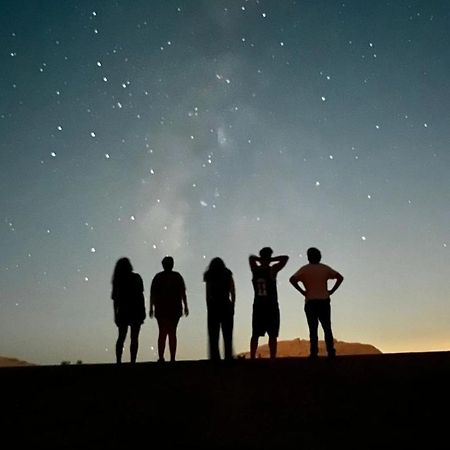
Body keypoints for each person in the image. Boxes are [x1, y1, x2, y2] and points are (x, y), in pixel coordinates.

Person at [289, 247, 344, 359]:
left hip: (310, 301)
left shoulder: (304, 269)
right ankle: (331, 351)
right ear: (319, 256)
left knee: (313, 328)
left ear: (309, 257)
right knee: (327, 327)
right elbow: (340, 277)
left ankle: (314, 352)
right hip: (324, 300)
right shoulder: (324, 268)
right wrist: (331, 291)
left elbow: (292, 279)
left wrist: (302, 291)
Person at [249, 247, 289, 359]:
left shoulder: (255, 270)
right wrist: (270, 260)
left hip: (258, 304)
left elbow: (251, 258)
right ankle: (272, 357)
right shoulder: (272, 270)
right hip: (271, 305)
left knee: (255, 333)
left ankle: (252, 356)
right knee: (272, 334)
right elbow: (285, 258)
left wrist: (262, 259)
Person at [149, 256, 188, 362]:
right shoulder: (177, 276)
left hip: (161, 308)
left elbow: (153, 293)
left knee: (162, 333)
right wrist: (185, 305)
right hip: (174, 308)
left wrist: (151, 307)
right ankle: (172, 358)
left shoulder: (158, 277)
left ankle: (161, 357)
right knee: (172, 333)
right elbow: (182, 292)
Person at [111, 257, 146, 364]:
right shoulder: (136, 278)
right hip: (136, 310)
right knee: (134, 337)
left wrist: (115, 315)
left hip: (123, 311)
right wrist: (143, 310)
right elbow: (141, 296)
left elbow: (115, 300)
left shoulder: (118, 281)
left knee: (121, 337)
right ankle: (133, 361)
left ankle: (118, 361)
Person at [203, 257, 236, 361]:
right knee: (228, 335)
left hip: (214, 305)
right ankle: (228, 356)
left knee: (213, 335)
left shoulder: (209, 275)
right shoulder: (227, 273)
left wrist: (208, 306)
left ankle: (215, 357)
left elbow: (208, 293)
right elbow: (232, 290)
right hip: (226, 304)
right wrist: (233, 305)